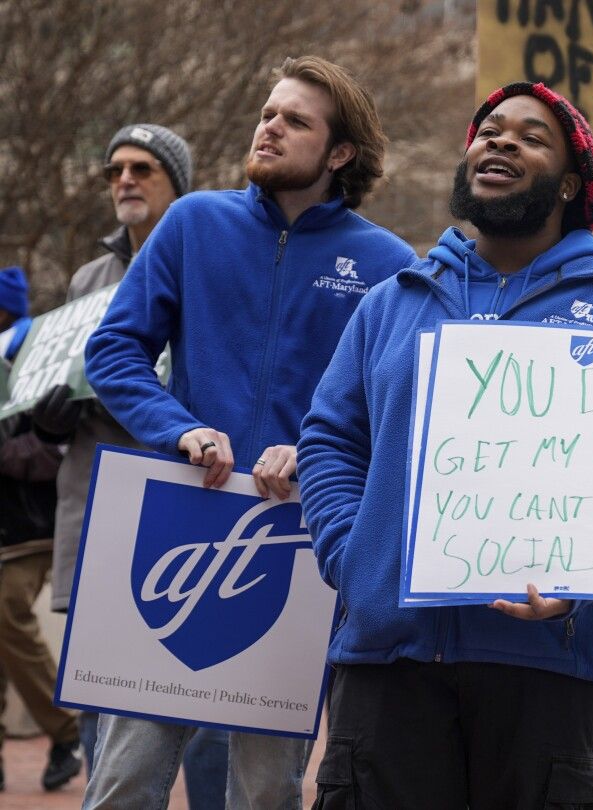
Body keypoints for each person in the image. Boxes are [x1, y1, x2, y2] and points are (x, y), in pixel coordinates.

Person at [297, 81, 593, 809]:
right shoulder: (393, 301)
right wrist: (355, 558)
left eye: (530, 137)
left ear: (572, 185)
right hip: (389, 662)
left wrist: (580, 591)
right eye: (489, 131)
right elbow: (330, 440)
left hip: (553, 675)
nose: (499, 141)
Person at [82, 56, 414, 810]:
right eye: (269, 113)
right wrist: (180, 429)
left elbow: (398, 407)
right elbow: (113, 349)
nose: (269, 127)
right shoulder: (194, 220)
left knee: (266, 791)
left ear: (339, 154)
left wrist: (319, 453)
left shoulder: (391, 267)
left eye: (294, 121)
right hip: (176, 524)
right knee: (125, 780)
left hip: (293, 541)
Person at [25, 125, 229, 798]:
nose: (124, 180)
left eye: (143, 167)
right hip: (96, 516)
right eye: (115, 169)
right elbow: (56, 393)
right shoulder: (89, 278)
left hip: (190, 515)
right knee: (100, 701)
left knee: (206, 711)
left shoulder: (217, 266)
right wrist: (46, 408)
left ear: (179, 181)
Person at [0, 267, 84, 793]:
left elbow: (54, 449)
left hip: (27, 526)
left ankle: (66, 727)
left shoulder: (39, 352)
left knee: (4, 611)